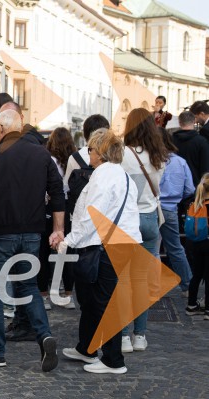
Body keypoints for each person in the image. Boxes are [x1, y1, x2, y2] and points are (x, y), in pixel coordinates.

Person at [0, 109, 64, 371]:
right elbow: (57, 192)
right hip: (32, 232)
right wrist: (58, 228)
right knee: (28, 286)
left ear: (0, 129)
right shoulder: (41, 155)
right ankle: (44, 336)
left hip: (0, 232)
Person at [60, 129, 141, 375]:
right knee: (93, 299)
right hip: (121, 243)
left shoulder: (104, 176)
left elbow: (92, 215)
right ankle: (87, 347)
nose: (89, 154)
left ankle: (113, 360)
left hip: (109, 245)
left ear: (101, 153)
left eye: (91, 150)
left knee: (103, 302)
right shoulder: (121, 175)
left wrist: (69, 240)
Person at [119, 108, 167, 354]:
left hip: (127, 219)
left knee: (123, 280)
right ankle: (140, 336)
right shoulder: (158, 155)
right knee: (140, 281)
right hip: (149, 218)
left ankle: (123, 337)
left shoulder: (121, 154)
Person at [157, 128, 195, 294]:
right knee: (176, 248)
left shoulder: (150, 161)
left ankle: (152, 287)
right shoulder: (180, 162)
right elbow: (190, 188)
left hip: (151, 208)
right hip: (171, 208)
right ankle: (188, 284)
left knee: (151, 249)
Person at [46, 127, 78, 308]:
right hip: (69, 207)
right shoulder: (73, 159)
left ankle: (47, 293)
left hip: (51, 205)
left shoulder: (49, 160)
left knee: (48, 248)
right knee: (67, 250)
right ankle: (68, 295)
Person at [185, 174, 209, 318]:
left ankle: (191, 305)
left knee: (197, 275)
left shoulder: (194, 204)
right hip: (207, 242)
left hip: (194, 243)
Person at [172, 111, 209, 187]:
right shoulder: (202, 142)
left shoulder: (170, 141)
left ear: (179, 122)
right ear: (194, 121)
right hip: (196, 185)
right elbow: (205, 168)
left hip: (175, 185)